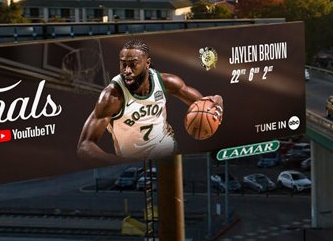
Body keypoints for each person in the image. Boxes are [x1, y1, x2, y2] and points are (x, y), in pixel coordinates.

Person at [76, 40, 223, 163]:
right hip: (134, 162)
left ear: (147, 63)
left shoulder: (166, 81)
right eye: (123, 64)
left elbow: (205, 104)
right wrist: (116, 162)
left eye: (133, 64)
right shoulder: (112, 97)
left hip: (167, 151)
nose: (127, 70)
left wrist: (217, 103)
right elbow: (84, 146)